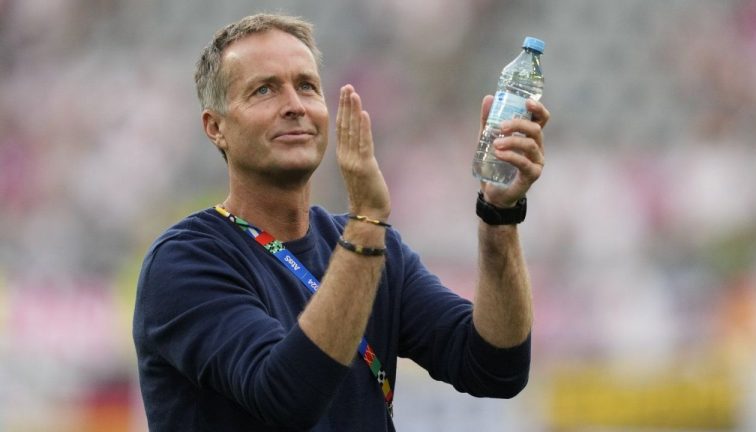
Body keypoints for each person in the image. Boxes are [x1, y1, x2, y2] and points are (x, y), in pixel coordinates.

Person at [133, 12, 549, 431]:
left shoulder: (376, 251)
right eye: (264, 90)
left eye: (307, 87)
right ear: (216, 127)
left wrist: (499, 216)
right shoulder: (184, 261)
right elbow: (286, 396)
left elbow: (497, 368)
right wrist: (367, 223)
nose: (294, 105)